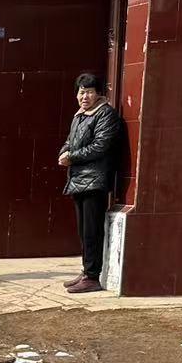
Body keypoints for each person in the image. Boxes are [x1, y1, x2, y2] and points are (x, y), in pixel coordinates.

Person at [58, 72, 122, 295]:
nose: (84, 96)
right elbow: (70, 140)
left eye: (89, 92)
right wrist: (64, 152)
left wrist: (72, 156)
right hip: (78, 180)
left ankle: (93, 276)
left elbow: (100, 146)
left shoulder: (106, 114)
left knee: (92, 230)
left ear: (98, 93)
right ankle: (86, 271)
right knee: (83, 230)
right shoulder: (79, 115)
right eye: (81, 92)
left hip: (95, 181)